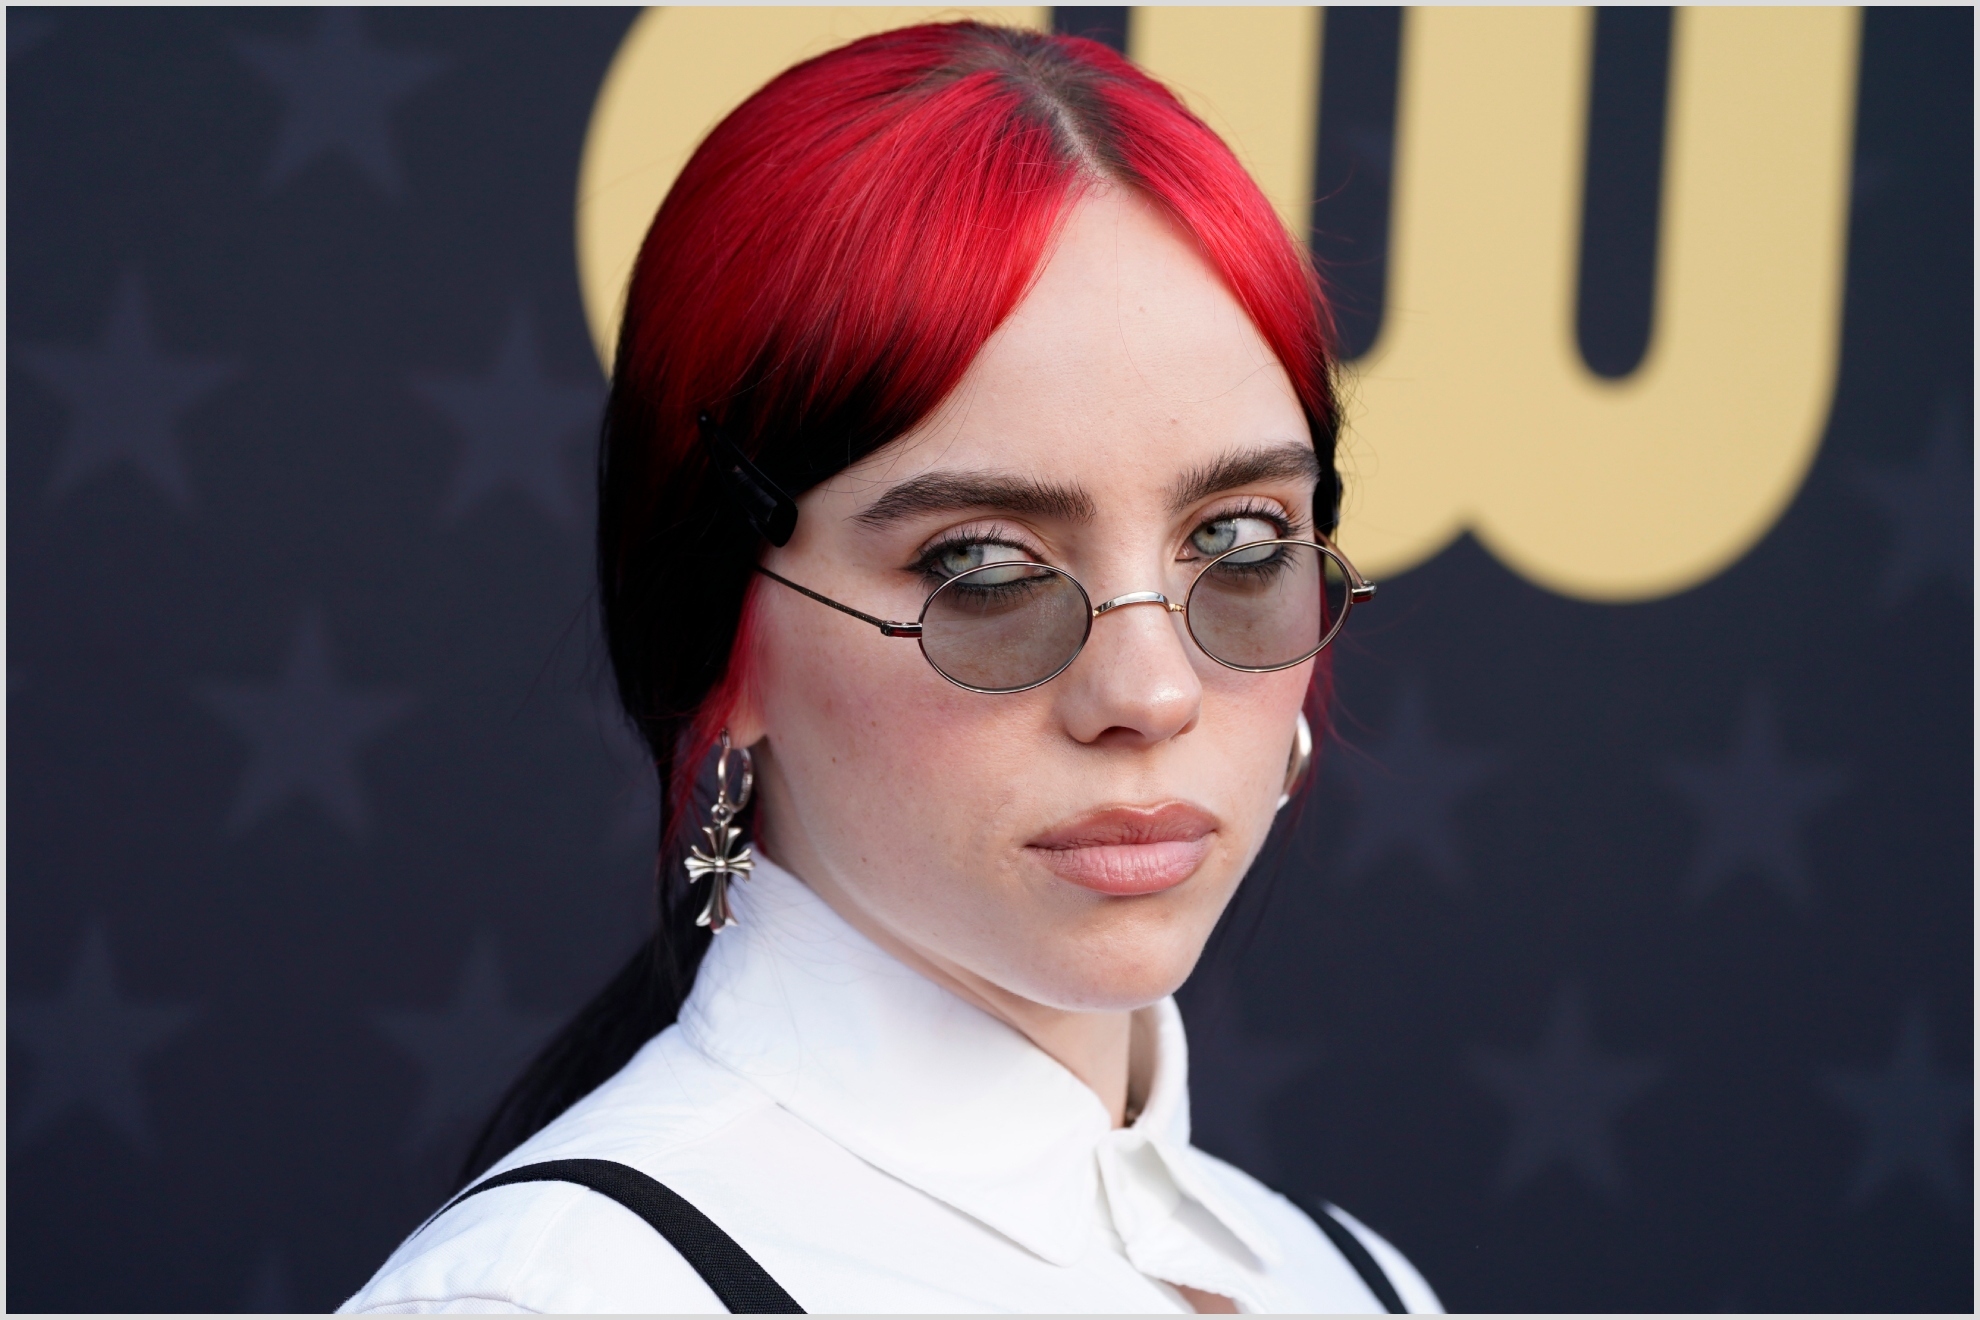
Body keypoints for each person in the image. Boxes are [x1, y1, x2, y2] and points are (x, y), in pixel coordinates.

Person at [343, 21, 1438, 1314]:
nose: (1149, 693)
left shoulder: (1356, 1286)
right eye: (984, 569)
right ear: (721, 634)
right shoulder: (559, 1297)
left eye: (1243, 543)